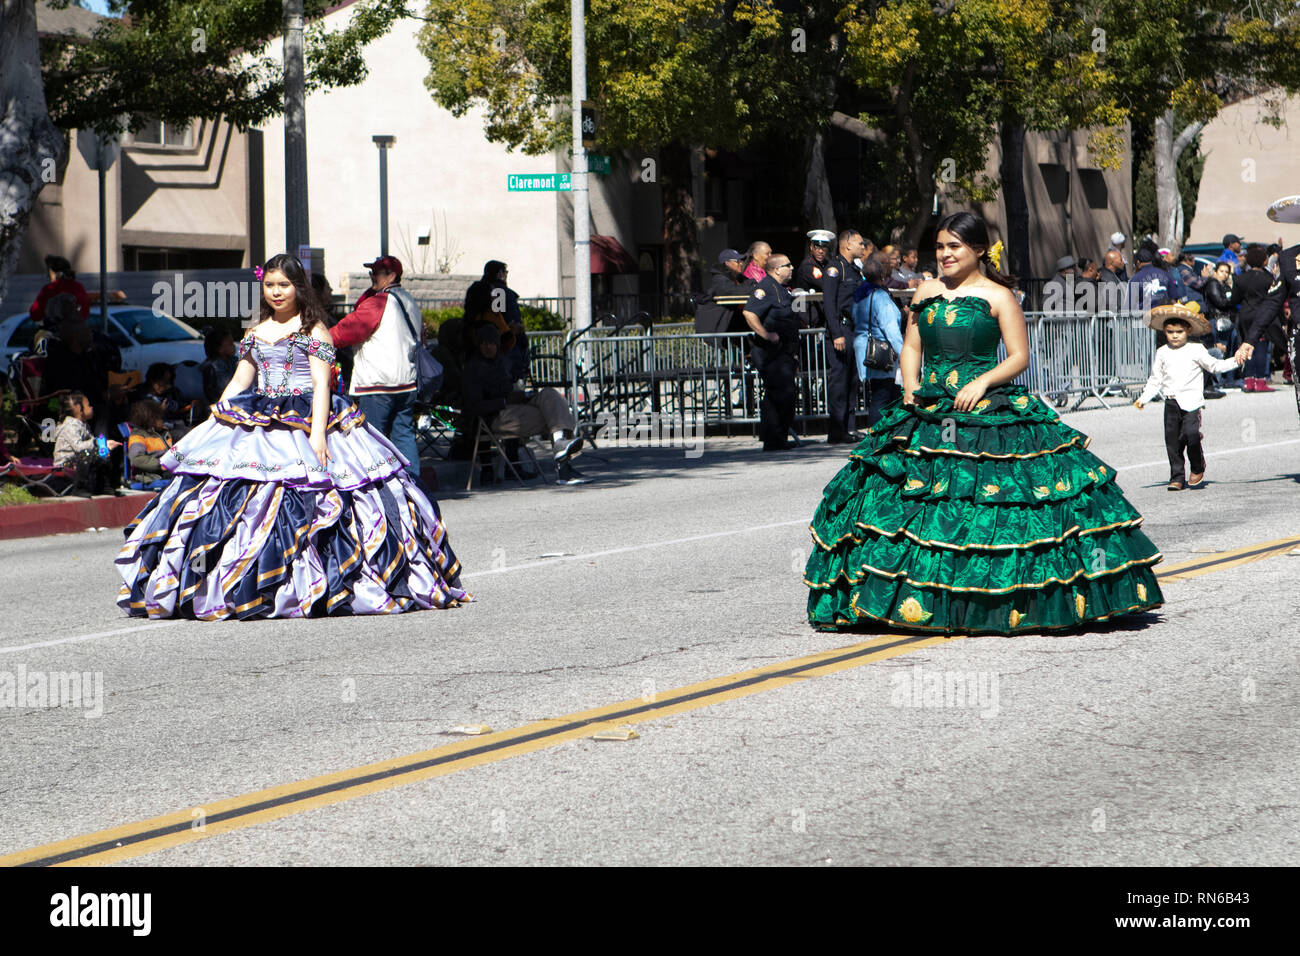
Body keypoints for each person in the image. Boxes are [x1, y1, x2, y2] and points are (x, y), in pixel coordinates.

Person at [805, 211, 1164, 634]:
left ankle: (994, 602)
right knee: (906, 500)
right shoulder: (925, 291)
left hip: (986, 405)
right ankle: (894, 597)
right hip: (926, 406)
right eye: (939, 247)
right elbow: (911, 346)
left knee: (996, 502)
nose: (945, 254)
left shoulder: (998, 296)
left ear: (978, 250)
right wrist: (909, 388)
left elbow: (1018, 357)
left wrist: (983, 381)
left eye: (954, 246)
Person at [115, 252, 470, 619]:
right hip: (260, 414)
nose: (276, 292)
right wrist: (216, 414)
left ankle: (310, 582)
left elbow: (321, 384)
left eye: (283, 285)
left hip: (308, 418)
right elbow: (241, 378)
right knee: (235, 494)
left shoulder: (313, 330)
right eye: (269, 285)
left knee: (320, 498)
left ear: (298, 287)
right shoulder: (255, 332)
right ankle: (223, 582)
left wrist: (317, 437)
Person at [328, 255, 425, 482]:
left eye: (377, 273)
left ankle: (381, 486)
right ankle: (414, 485)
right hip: (407, 382)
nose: (372, 276)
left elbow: (348, 331)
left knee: (374, 438)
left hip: (378, 383)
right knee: (404, 435)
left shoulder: (379, 302)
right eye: (371, 272)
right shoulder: (408, 300)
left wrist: (318, 338)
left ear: (391, 276)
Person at [1135, 305, 1251, 490]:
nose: (1174, 335)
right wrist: (1144, 398)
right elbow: (1155, 379)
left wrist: (1236, 361)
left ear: (1188, 330)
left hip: (1191, 402)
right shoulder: (1162, 352)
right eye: (1170, 332)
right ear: (1164, 332)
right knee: (1173, 442)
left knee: (1191, 435)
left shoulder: (1196, 349)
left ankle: (1197, 466)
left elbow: (1215, 366)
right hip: (1171, 402)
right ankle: (1177, 477)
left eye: (1179, 332)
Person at [460, 324, 583, 481]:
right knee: (552, 415)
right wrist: (503, 401)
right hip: (494, 417)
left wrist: (521, 396)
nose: (487, 347)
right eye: (484, 343)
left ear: (497, 345)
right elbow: (473, 406)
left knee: (550, 395)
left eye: (491, 343)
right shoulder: (473, 369)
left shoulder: (500, 363)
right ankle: (564, 464)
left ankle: (560, 445)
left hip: (513, 407)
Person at [741, 253, 801, 451]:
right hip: (770, 352)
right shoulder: (765, 288)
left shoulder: (782, 290)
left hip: (784, 352)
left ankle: (776, 437)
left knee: (783, 394)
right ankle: (774, 439)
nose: (791, 268)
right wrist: (766, 334)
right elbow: (749, 312)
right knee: (780, 394)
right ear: (776, 269)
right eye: (788, 265)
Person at [821, 229, 868, 443]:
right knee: (839, 382)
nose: (863, 247)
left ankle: (849, 427)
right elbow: (829, 304)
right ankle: (837, 429)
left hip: (854, 329)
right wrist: (836, 334)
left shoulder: (853, 269)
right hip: (841, 330)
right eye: (859, 243)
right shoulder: (834, 268)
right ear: (847, 245)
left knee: (852, 381)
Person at [850, 252, 904, 425]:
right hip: (882, 351)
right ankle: (878, 437)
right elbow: (891, 330)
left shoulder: (859, 295)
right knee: (882, 397)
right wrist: (904, 354)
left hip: (864, 349)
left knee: (881, 394)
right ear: (882, 276)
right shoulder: (880, 297)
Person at [463, 260, 528, 380]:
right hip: (505, 350)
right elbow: (512, 321)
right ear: (500, 274)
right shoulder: (504, 294)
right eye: (505, 272)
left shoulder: (477, 290)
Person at [52, 392, 123, 497]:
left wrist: (104, 446)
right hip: (67, 464)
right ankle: (79, 488)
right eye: (88, 405)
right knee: (86, 456)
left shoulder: (84, 425)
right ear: (79, 410)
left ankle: (103, 486)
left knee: (102, 455)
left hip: (78, 460)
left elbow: (91, 443)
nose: (91, 407)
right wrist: (96, 443)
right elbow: (78, 447)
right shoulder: (70, 426)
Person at [1235, 243, 1285, 391]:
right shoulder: (1268, 278)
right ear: (1264, 261)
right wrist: (1282, 320)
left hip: (1245, 315)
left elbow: (1234, 300)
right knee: (1261, 347)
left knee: (1246, 345)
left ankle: (1248, 380)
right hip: (1262, 315)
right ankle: (1261, 381)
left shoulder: (1240, 278)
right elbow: (1276, 300)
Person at [695, 249, 756, 342]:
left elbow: (751, 286)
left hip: (736, 328)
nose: (741, 264)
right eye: (738, 261)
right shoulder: (719, 280)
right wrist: (752, 286)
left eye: (742, 261)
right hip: (719, 332)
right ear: (727, 263)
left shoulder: (739, 278)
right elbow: (733, 293)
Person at [29, 255, 90, 324]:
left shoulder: (49, 289)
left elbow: (35, 314)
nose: (48, 276)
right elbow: (85, 313)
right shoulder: (79, 287)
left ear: (54, 273)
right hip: (75, 331)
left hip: (55, 331)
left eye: (49, 272)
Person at [793, 230, 835, 328]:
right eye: (817, 247)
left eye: (824, 247)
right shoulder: (809, 265)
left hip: (819, 313)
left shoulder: (827, 263)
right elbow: (825, 284)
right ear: (811, 247)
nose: (821, 251)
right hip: (808, 314)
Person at [125, 400, 172, 481]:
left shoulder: (164, 433)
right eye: (159, 418)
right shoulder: (138, 435)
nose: (162, 420)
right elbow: (137, 458)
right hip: (153, 474)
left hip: (170, 468)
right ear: (150, 419)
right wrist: (160, 465)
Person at [199, 328, 239, 404]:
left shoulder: (234, 361)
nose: (234, 346)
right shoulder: (211, 367)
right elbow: (210, 393)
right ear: (220, 349)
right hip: (219, 404)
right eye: (231, 344)